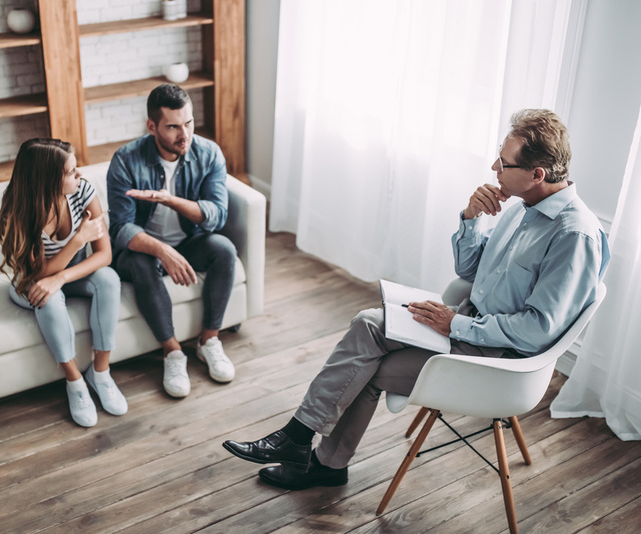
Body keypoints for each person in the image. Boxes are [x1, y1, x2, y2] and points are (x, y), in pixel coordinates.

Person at [223, 109, 610, 490]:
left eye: (504, 163)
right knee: (367, 323)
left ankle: (322, 460)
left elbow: (536, 331)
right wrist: (471, 216)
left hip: (498, 359)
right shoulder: (522, 208)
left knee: (366, 367)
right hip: (467, 325)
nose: (494, 166)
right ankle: (300, 439)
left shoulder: (573, 236)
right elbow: (469, 270)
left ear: (536, 174)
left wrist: (454, 324)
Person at [106, 83, 237, 398]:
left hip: (189, 242)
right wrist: (163, 251)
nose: (185, 134)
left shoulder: (209, 154)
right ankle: (173, 352)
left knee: (224, 249)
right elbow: (121, 229)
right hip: (144, 250)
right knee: (140, 260)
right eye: (174, 126)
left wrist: (169, 199)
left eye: (189, 122)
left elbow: (217, 215)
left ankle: (208, 341)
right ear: (152, 127)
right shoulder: (125, 160)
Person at [0, 138, 126, 428]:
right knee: (46, 296)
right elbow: (37, 276)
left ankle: (101, 373)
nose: (78, 175)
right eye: (70, 172)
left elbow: (105, 256)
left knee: (108, 279)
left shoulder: (83, 192)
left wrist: (62, 277)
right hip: (29, 282)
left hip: (68, 275)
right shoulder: (17, 211)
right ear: (46, 179)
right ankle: (76, 383)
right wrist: (78, 239)